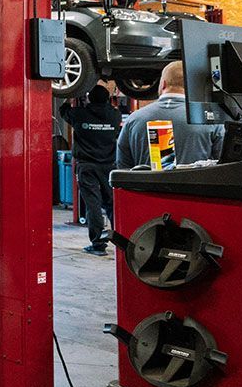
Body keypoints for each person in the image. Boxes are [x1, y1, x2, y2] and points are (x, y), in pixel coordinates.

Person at [116, 61, 223, 170]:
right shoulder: (211, 119)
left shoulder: (133, 119)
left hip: (146, 186)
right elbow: (223, 167)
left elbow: (122, 169)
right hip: (196, 186)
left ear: (163, 84)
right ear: (192, 86)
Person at [62, 85, 122, 255]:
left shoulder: (79, 114)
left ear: (89, 98)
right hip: (109, 167)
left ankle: (98, 244)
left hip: (86, 166)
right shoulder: (114, 115)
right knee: (111, 204)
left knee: (92, 204)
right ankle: (121, 240)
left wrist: (71, 93)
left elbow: (63, 109)